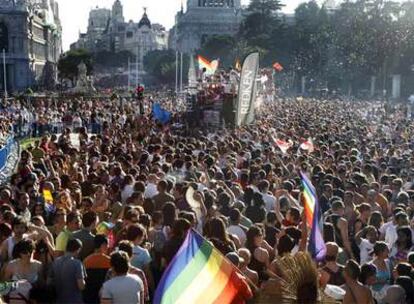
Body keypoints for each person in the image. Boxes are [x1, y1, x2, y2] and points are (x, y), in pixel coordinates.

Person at [2, 239, 42, 304]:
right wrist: (18, 285)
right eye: (25, 252)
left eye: (31, 251)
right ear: (19, 253)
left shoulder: (39, 266)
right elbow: (3, 288)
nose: (28, 254)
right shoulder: (11, 265)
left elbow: (42, 286)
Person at [49, 238, 86, 304]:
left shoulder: (56, 261)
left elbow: (49, 282)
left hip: (58, 300)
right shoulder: (77, 263)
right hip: (75, 301)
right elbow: (81, 286)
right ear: (78, 249)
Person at [83, 235, 110, 304]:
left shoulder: (86, 261)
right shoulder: (109, 261)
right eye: (107, 245)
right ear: (103, 245)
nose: (108, 247)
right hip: (104, 297)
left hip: (89, 297)